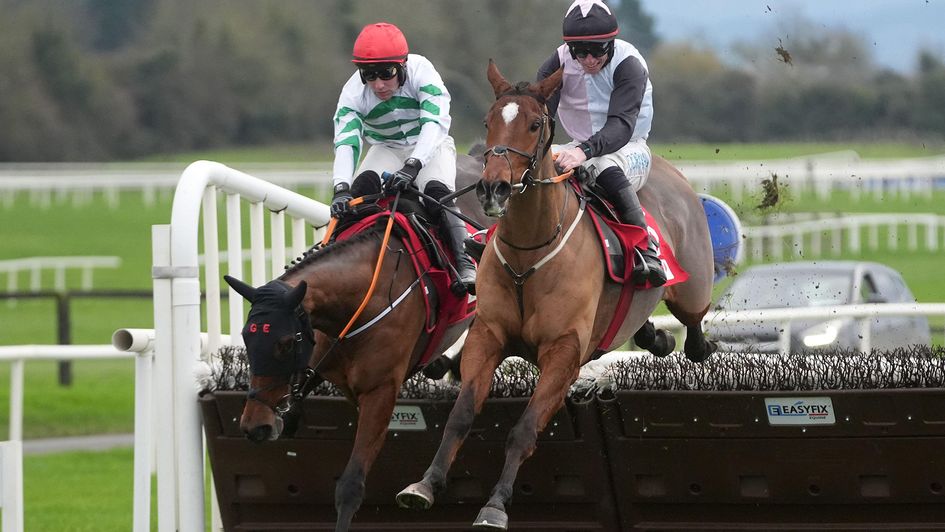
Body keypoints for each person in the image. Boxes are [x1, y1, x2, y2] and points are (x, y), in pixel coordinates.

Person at [329, 22, 476, 295]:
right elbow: (346, 142)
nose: (379, 84)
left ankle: (464, 263)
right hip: (387, 148)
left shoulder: (423, 71)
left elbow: (434, 123)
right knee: (359, 193)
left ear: (403, 65)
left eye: (386, 73)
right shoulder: (352, 94)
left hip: (431, 144)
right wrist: (340, 188)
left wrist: (414, 164)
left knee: (437, 192)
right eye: (369, 75)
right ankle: (331, 258)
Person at [537, 0, 666, 287]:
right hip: (579, 144)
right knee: (530, 165)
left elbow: (621, 125)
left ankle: (646, 249)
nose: (589, 60)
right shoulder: (557, 62)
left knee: (603, 165)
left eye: (597, 50)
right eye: (580, 52)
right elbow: (541, 111)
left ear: (612, 42)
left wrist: (583, 152)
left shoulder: (629, 64)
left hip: (628, 146)